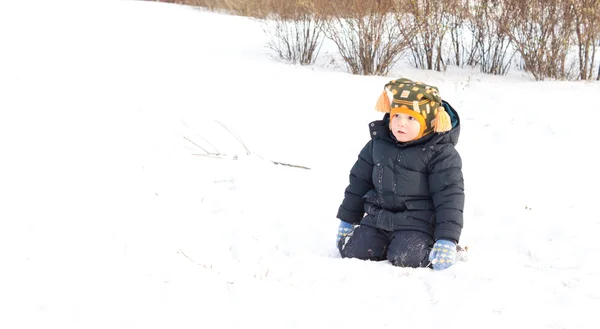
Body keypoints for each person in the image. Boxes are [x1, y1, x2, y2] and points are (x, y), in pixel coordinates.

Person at [336, 78, 464, 270]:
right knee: (354, 251)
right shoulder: (377, 144)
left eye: (411, 118)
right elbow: (358, 183)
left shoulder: (440, 154)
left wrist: (447, 238)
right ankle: (382, 243)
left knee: (406, 257)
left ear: (430, 122)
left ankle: (440, 249)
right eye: (396, 116)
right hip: (378, 219)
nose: (400, 124)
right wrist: (348, 218)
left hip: (417, 223)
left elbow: (449, 196)